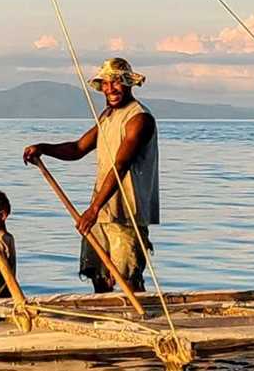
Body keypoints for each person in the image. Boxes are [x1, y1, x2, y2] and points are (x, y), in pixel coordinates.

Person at [23, 58, 159, 294]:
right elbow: (77, 148)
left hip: (126, 213)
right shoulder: (107, 116)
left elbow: (121, 164)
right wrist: (44, 148)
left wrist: (93, 209)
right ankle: (104, 314)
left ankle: (142, 319)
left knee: (128, 277)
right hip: (102, 209)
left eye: (116, 82)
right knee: (97, 273)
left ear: (128, 84)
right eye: (106, 84)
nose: (110, 89)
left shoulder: (139, 119)